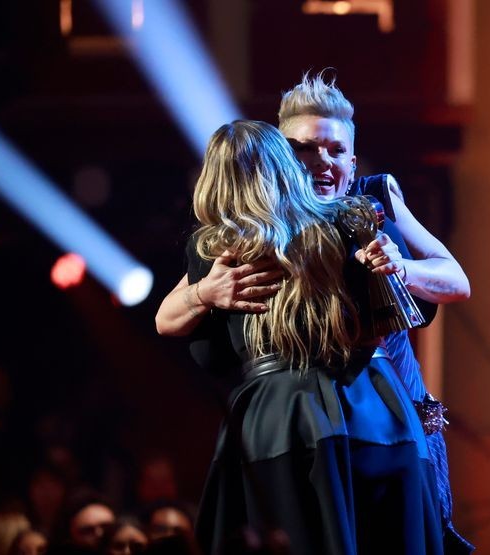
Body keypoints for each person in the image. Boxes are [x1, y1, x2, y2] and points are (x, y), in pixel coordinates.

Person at [156, 120, 444, 554]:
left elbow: (180, 331)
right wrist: (390, 266)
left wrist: (203, 292)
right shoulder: (352, 219)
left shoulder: (217, 250)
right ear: (286, 164)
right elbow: (415, 308)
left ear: (214, 180)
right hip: (372, 409)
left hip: (279, 421)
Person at [276, 72, 473, 552]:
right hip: (307, 421)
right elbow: (168, 316)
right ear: (279, 158)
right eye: (303, 149)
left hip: (392, 418)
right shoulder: (266, 218)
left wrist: (400, 267)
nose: (320, 161)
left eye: (333, 150)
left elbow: (456, 281)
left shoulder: (376, 198)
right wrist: (206, 294)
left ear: (352, 159)